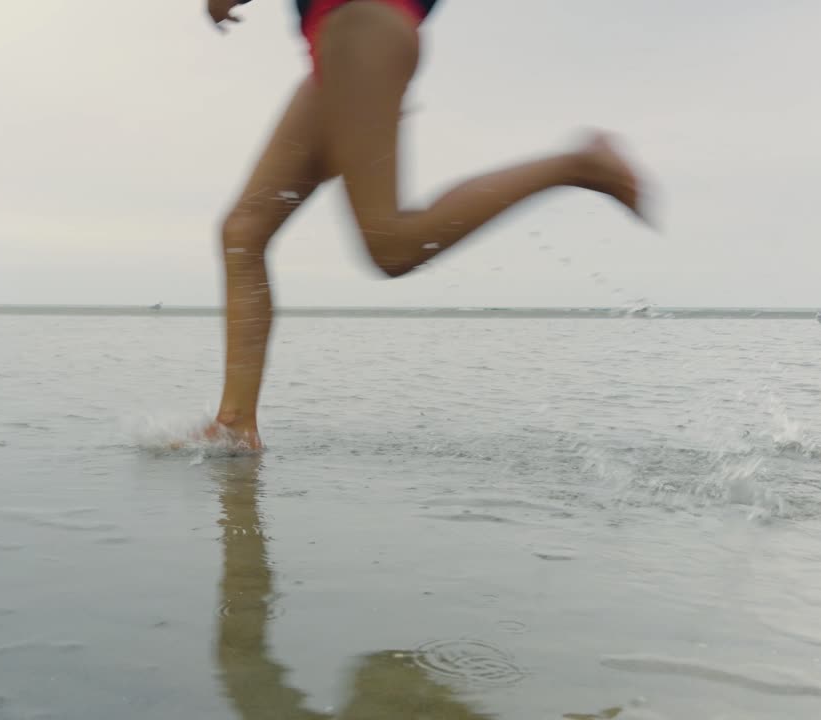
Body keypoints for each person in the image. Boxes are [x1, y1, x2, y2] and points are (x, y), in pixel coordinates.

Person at [203, 0, 648, 450]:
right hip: (339, 33)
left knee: (390, 245)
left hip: (359, 21)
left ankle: (578, 165)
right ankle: (235, 424)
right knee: (244, 231)